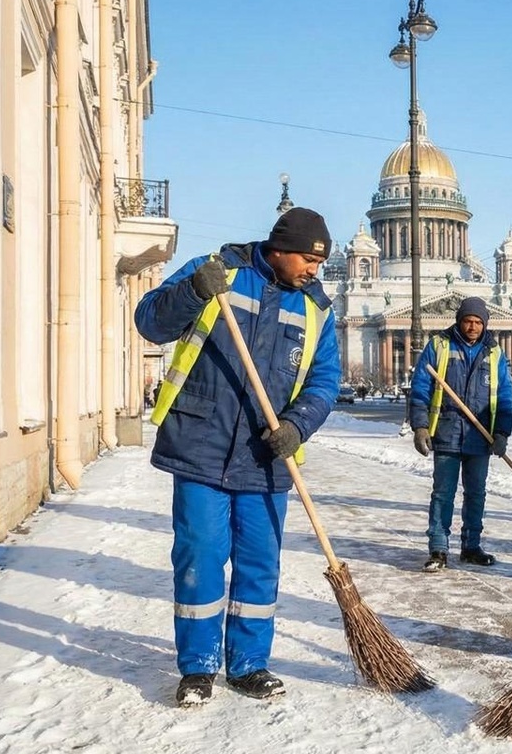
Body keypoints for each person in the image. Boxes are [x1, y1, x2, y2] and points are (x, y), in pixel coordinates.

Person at [135, 207, 340, 707]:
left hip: (267, 457)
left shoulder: (317, 310)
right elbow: (150, 322)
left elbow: (324, 381)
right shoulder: (218, 272)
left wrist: (297, 425)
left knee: (258, 564)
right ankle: (198, 667)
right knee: (200, 556)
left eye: (320, 261)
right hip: (200, 444)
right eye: (309, 259)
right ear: (280, 246)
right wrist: (193, 292)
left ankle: (249, 664)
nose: (315, 269)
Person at [409, 296, 512, 573]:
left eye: (478, 322)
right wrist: (420, 426)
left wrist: (502, 432)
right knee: (443, 494)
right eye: (468, 321)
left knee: (476, 494)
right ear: (459, 321)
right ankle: (438, 548)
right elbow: (421, 388)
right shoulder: (439, 346)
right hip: (447, 432)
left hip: (480, 438)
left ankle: (471, 546)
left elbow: (504, 396)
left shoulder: (494, 354)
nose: (472, 327)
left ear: (485, 324)